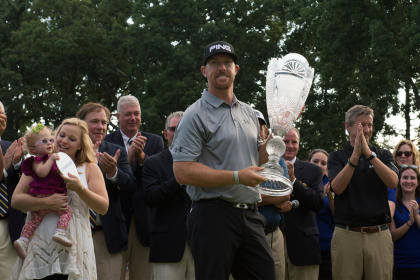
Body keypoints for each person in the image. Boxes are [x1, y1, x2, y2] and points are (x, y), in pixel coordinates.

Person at [172, 41, 276, 280]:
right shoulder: (194, 115)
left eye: (227, 63)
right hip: (212, 216)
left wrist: (277, 135)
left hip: (250, 214)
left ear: (236, 69)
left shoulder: (250, 113)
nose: (222, 68)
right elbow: (182, 171)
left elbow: (258, 161)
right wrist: (237, 176)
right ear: (204, 71)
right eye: (214, 63)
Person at [11, 117, 109, 280]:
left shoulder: (90, 168)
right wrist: (45, 202)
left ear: (80, 145)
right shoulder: (39, 163)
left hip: (73, 248)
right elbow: (16, 200)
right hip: (40, 247)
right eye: (61, 135)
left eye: (72, 139)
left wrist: (80, 189)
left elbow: (103, 207)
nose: (64, 141)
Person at [328, 105, 398, 280]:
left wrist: (369, 155)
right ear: (348, 126)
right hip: (347, 235)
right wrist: (354, 157)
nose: (367, 130)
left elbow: (393, 181)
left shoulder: (383, 154)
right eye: (362, 125)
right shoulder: (336, 157)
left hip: (379, 235)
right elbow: (337, 188)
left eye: (370, 125)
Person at [104, 95, 164, 280]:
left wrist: (143, 158)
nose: (133, 118)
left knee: (144, 274)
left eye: (136, 114)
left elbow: (158, 176)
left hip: (144, 219)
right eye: (128, 114)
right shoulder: (108, 142)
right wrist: (128, 158)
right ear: (117, 116)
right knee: (114, 273)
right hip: (117, 217)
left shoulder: (155, 141)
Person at [76, 102, 136, 280]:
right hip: (74, 234)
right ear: (81, 123)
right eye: (95, 121)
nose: (101, 127)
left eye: (104, 122)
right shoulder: (69, 150)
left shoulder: (114, 151)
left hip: (106, 236)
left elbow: (130, 186)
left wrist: (113, 172)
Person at [143, 111, 195, 279]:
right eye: (174, 129)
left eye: (184, 128)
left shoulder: (204, 161)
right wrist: (178, 179)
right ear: (166, 134)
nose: (179, 132)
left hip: (201, 244)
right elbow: (151, 198)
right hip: (167, 245)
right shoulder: (153, 162)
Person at [14, 124, 72, 260]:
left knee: (35, 221)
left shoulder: (54, 158)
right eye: (44, 141)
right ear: (34, 148)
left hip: (52, 195)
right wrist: (52, 159)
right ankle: (60, 232)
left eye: (51, 140)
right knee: (66, 211)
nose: (49, 143)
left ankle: (23, 241)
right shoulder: (36, 161)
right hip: (43, 195)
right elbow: (41, 173)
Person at [282, 128, 324, 280]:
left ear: (299, 144)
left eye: (294, 142)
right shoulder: (265, 167)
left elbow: (318, 203)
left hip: (303, 247)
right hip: (272, 243)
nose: (290, 145)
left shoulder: (313, 171)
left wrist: (293, 180)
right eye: (285, 141)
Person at [255, 109, 291, 280]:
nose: (257, 130)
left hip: (272, 234)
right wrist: (270, 198)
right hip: (244, 234)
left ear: (265, 130)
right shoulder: (238, 157)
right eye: (252, 125)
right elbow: (238, 195)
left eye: (261, 126)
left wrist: (257, 197)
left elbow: (285, 194)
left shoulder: (278, 158)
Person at [0, 100, 25, 280]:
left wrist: (16, 164)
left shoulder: (12, 147)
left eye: (1, 115)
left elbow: (26, 182)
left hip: (9, 224)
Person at [389, 165, 420, 279]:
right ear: (399, 180)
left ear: (417, 182)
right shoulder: (393, 204)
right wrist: (409, 223)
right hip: (399, 264)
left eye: (412, 178)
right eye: (405, 177)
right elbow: (392, 236)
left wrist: (416, 216)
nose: (408, 181)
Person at [308, 149, 334, 280]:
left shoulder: (333, 185)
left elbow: (339, 216)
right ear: (308, 163)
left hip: (327, 247)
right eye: (315, 161)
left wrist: (328, 195)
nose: (319, 165)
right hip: (305, 246)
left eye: (323, 163)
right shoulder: (301, 182)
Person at [388, 140, 419, 215]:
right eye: (399, 153)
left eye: (407, 154)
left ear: (414, 156)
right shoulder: (388, 178)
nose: (403, 156)